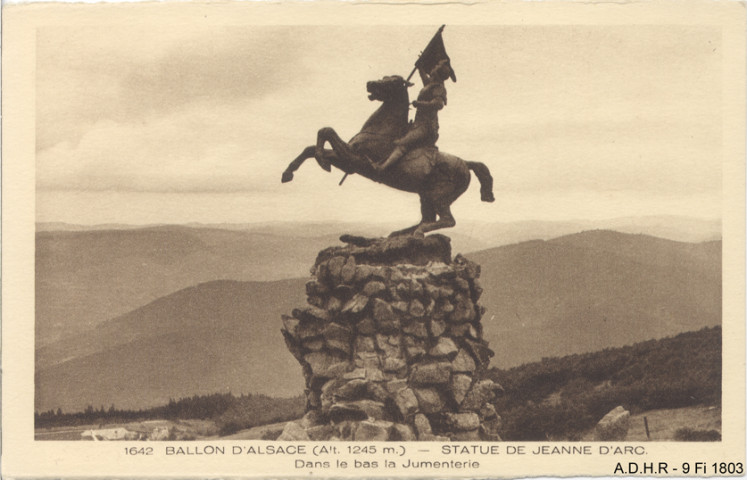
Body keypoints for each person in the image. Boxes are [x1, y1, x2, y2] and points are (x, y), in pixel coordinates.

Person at [375, 59, 454, 173]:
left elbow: (438, 104)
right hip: (417, 124)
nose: (434, 66)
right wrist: (420, 67)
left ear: (438, 72)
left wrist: (419, 104)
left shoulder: (439, 88)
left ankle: (382, 168)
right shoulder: (430, 85)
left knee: (402, 144)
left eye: (437, 65)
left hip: (426, 127)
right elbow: (424, 78)